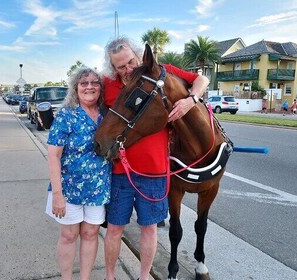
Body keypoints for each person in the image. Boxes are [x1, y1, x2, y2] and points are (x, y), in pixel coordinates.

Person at [102, 37, 209, 280]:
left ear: (139, 55)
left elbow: (201, 79)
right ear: (112, 68)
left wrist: (190, 101)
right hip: (121, 172)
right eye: (121, 67)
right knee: (115, 229)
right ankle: (110, 276)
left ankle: (143, 277)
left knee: (149, 229)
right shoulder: (108, 84)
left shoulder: (162, 73)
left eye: (131, 61)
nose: (128, 69)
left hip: (154, 172)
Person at [45, 67, 111, 280]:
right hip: (68, 188)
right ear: (75, 88)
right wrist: (57, 194)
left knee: (91, 234)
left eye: (94, 82)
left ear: (101, 88)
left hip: (98, 188)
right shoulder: (66, 115)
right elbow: (53, 155)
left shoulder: (107, 115)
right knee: (69, 236)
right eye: (84, 83)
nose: (89, 87)